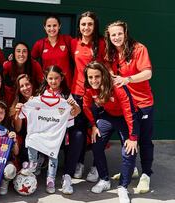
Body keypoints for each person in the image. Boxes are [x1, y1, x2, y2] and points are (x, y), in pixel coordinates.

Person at [105, 20, 154, 194]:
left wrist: (128, 79)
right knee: (128, 140)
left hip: (143, 104)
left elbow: (148, 73)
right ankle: (132, 169)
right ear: (109, 37)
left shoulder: (139, 49)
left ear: (125, 33)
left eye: (119, 33)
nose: (116, 37)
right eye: (113, 35)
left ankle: (146, 174)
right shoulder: (111, 53)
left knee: (144, 142)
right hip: (124, 105)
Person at [82, 61, 139, 202]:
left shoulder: (116, 87)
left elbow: (129, 111)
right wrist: (94, 125)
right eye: (90, 77)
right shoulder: (89, 88)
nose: (94, 80)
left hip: (126, 118)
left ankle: (123, 187)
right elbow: (86, 106)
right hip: (108, 117)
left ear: (103, 76)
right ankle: (104, 180)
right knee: (96, 143)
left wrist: (132, 137)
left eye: (97, 76)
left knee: (129, 150)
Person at [18, 66, 80, 194]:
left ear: (61, 78)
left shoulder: (66, 97)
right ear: (46, 78)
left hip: (57, 134)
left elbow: (76, 112)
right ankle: (33, 163)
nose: (53, 81)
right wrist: (29, 104)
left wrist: (73, 106)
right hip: (42, 132)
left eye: (56, 78)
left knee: (53, 149)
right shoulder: (40, 95)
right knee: (32, 138)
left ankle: (50, 178)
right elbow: (32, 111)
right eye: (50, 78)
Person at [69, 11, 106, 182]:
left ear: (94, 25)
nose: (86, 27)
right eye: (83, 24)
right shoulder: (73, 42)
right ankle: (79, 162)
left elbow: (107, 68)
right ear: (79, 26)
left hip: (96, 95)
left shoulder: (101, 43)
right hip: (77, 93)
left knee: (96, 131)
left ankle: (96, 166)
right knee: (79, 131)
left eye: (89, 24)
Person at [31, 14, 73, 87]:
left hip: (66, 85)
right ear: (44, 27)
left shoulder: (67, 40)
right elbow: (30, 61)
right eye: (49, 26)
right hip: (48, 85)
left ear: (59, 26)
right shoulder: (40, 44)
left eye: (54, 25)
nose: (52, 28)